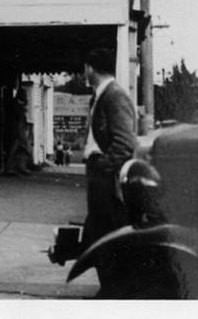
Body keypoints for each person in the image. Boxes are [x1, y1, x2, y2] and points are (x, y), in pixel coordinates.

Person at [79, 48, 137, 297]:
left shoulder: (114, 96)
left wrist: (103, 166)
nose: (83, 72)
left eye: (84, 67)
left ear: (90, 68)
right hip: (98, 174)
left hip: (106, 177)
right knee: (98, 232)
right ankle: (110, 287)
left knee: (108, 234)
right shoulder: (100, 96)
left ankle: (114, 291)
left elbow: (125, 143)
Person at [2, 88, 32, 175]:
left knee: (18, 150)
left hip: (18, 130)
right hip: (17, 131)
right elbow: (17, 119)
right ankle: (14, 167)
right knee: (18, 150)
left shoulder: (17, 104)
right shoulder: (16, 105)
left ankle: (18, 167)